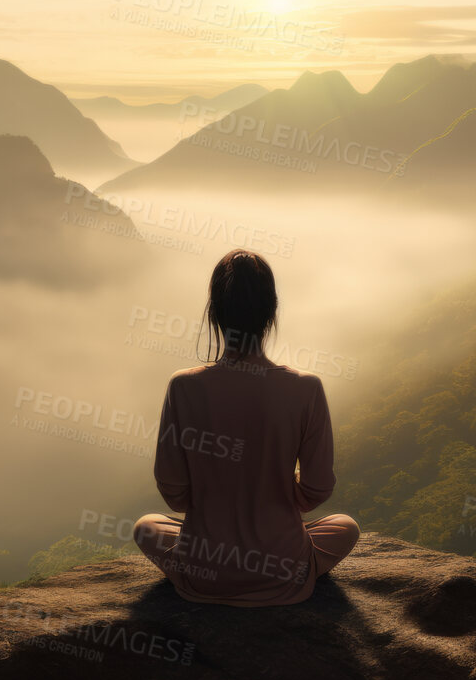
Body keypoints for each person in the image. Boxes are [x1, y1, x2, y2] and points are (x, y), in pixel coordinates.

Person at [133, 249, 360, 605]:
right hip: (283, 571)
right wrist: (277, 501)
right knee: (346, 526)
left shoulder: (184, 386)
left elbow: (174, 494)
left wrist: (216, 503)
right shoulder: (306, 388)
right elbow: (317, 489)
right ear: (271, 312)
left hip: (204, 573)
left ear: (215, 313)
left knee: (147, 526)